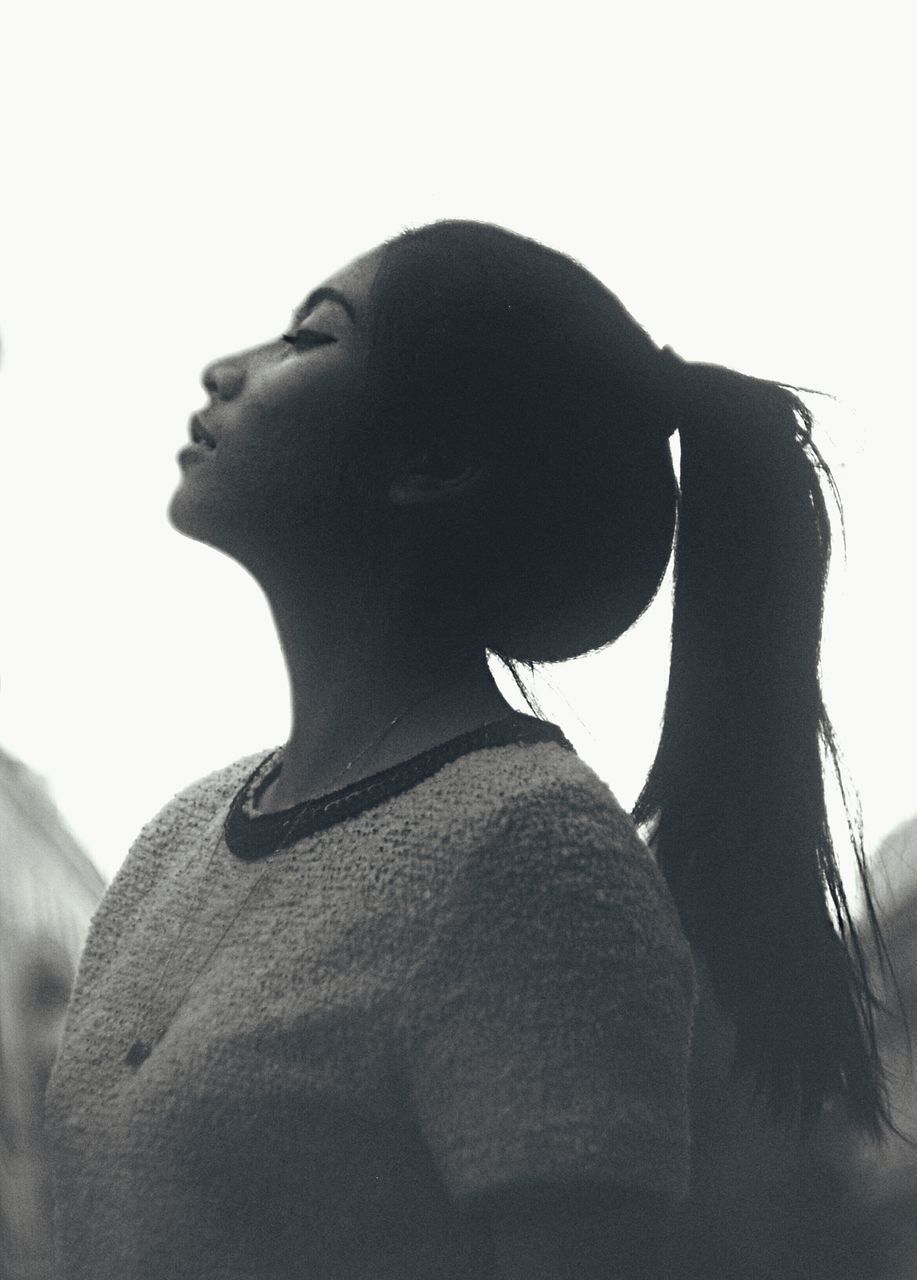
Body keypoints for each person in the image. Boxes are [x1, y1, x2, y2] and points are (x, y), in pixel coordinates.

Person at [45, 220, 890, 1280]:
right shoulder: (176, 837)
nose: (228, 368)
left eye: (307, 338)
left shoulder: (529, 850)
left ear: (435, 459)